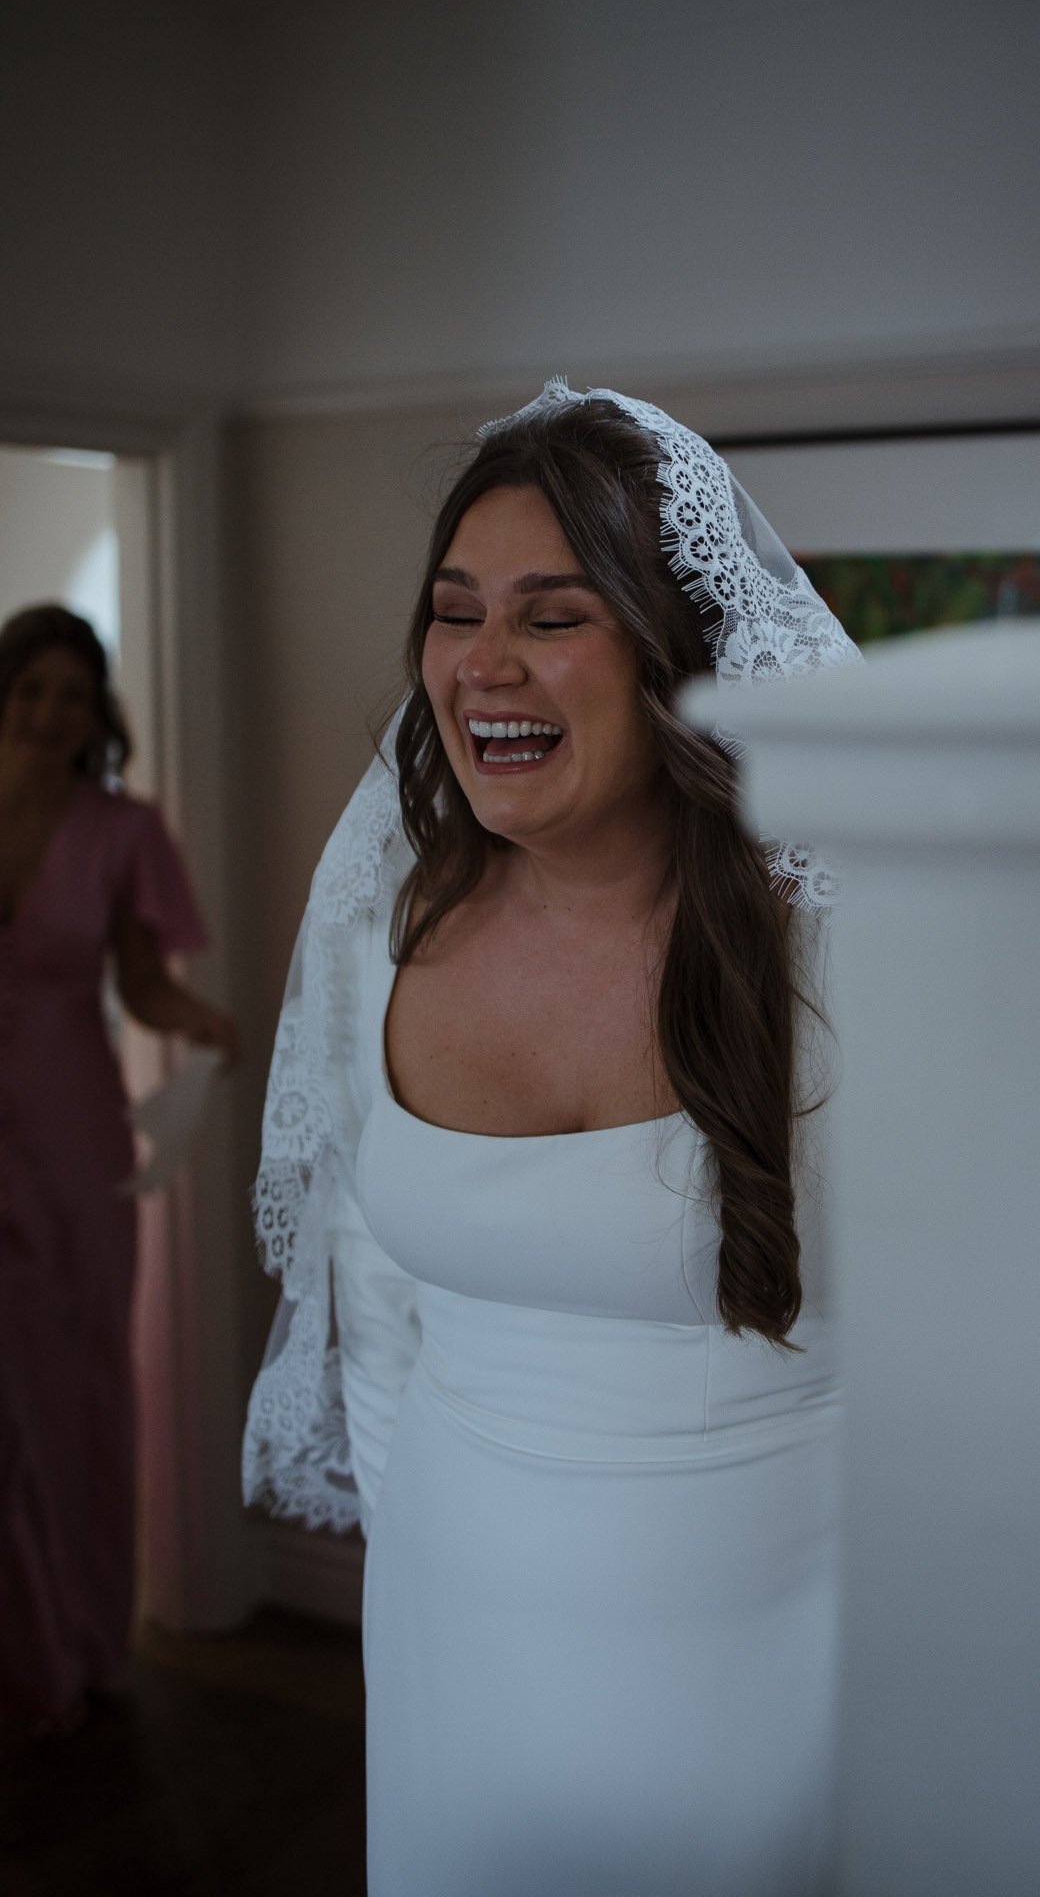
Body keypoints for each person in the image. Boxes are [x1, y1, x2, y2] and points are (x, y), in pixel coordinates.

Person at [242, 380, 861, 1895]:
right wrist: (415, 1565)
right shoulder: (386, 928)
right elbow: (374, 1302)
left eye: (551, 615)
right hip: (457, 1622)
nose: (484, 666)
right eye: (455, 616)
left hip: (780, 1633)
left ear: (670, 652)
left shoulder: (839, 945)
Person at [0, 603, 237, 1739]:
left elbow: (142, 983)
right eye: (31, 687)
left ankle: (83, 1641)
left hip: (69, 1131)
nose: (50, 711)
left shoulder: (122, 827)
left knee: (78, 1390)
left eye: (72, 692)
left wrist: (204, 1021)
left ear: (99, 711)